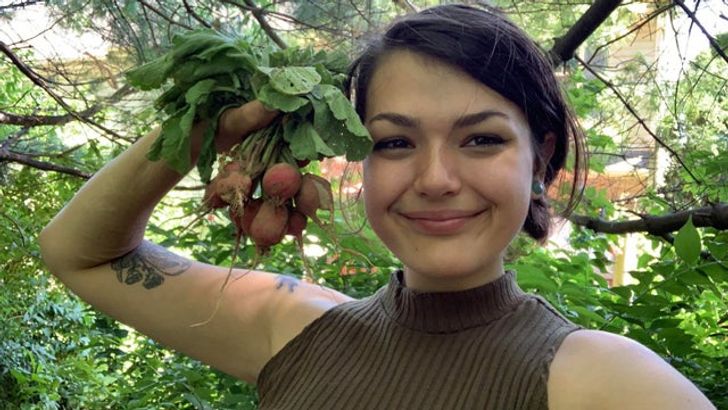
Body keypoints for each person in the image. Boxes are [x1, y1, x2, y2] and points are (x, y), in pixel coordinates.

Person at [39, 4, 715, 409]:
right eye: (395, 141)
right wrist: (210, 130)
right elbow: (78, 252)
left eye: (480, 139)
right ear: (357, 155)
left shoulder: (603, 378)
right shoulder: (291, 331)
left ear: (537, 159)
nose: (436, 177)